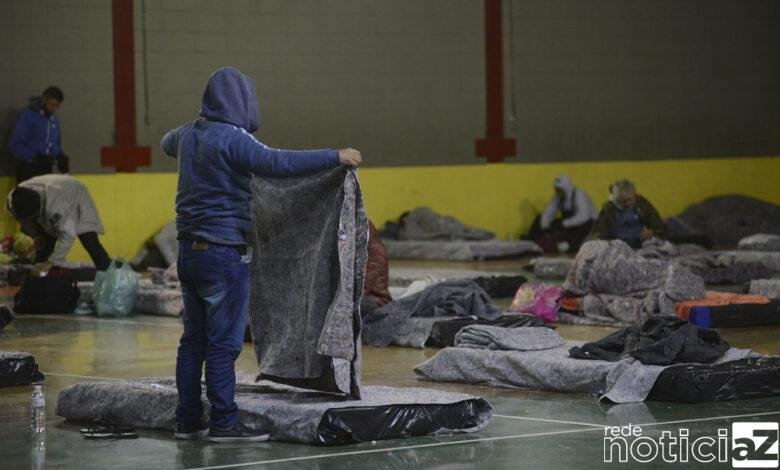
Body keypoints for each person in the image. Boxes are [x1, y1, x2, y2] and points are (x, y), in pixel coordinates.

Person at [161, 67, 362, 443]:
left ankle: (187, 420)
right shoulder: (233, 139)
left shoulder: (189, 134)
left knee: (193, 341)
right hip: (224, 254)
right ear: (242, 102)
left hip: (189, 253)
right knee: (223, 344)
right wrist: (334, 156)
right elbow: (278, 163)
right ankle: (223, 422)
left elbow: (165, 141)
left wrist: (195, 128)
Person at [6, 174, 111, 271]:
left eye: (34, 216)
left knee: (89, 241)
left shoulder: (55, 205)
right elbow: (24, 221)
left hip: (75, 193)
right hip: (54, 190)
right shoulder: (14, 200)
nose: (31, 220)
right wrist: (37, 235)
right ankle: (38, 281)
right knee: (44, 244)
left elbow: (69, 234)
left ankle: (112, 277)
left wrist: (51, 262)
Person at [9, 86, 70, 184]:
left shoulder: (54, 121)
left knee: (45, 199)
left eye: (57, 106)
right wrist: (33, 158)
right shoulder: (28, 116)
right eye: (52, 105)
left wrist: (60, 156)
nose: (54, 109)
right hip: (28, 170)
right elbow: (15, 144)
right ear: (44, 100)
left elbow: (55, 144)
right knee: (29, 199)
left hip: (46, 171)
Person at [529, 174, 598, 253]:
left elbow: (584, 216)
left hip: (589, 226)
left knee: (586, 224)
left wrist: (564, 224)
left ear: (566, 188)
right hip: (570, 225)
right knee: (539, 218)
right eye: (556, 190)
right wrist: (545, 227)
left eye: (559, 190)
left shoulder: (579, 194)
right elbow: (548, 213)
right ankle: (533, 243)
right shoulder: (558, 197)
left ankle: (569, 245)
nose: (557, 192)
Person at [590, 179, 666, 248]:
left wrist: (652, 232)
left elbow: (659, 225)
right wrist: (606, 242)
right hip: (618, 244)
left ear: (634, 194)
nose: (628, 204)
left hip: (642, 242)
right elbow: (599, 231)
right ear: (616, 199)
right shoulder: (609, 208)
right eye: (623, 202)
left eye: (631, 199)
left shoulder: (642, 203)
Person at [362, 221, 392, 316]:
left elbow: (363, 288)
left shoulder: (376, 252)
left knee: (349, 305)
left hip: (377, 301)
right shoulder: (361, 249)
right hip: (365, 297)